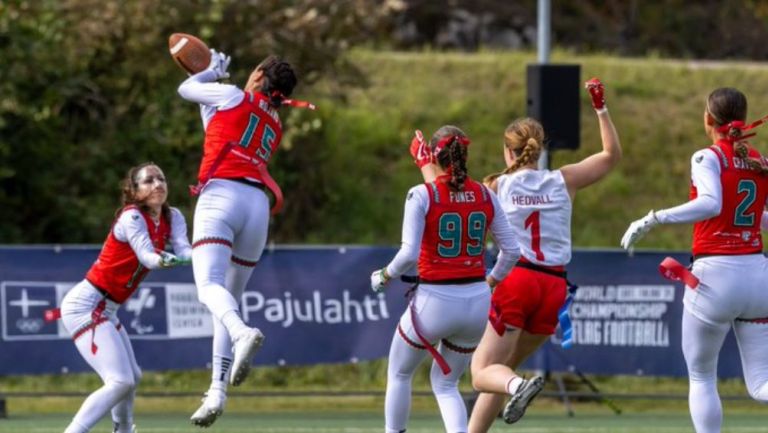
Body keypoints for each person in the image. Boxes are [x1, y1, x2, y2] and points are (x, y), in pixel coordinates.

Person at [465, 78, 622, 431]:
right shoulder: (564, 180)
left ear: (509, 152)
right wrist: (600, 107)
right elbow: (612, 155)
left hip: (517, 279)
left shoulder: (496, 185)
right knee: (501, 372)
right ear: (540, 150)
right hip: (554, 287)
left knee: (481, 373)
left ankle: (519, 386)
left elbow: (458, 208)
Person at [621, 87, 768, 433]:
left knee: (702, 375)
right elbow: (760, 217)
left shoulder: (708, 157)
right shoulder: (759, 160)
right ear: (743, 120)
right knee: (760, 384)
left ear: (707, 118)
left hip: (716, 275)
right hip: (758, 274)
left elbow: (711, 203)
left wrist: (652, 218)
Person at [177, 49, 303, 427]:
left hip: (221, 196)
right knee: (225, 301)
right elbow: (215, 130)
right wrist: (212, 81)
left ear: (260, 74)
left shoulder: (234, 95)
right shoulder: (275, 121)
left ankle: (242, 331)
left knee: (208, 290)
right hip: (256, 207)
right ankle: (216, 391)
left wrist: (208, 73)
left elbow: (185, 90)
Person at [370, 125, 521, 433]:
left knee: (399, 373)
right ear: (466, 155)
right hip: (477, 300)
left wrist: (384, 275)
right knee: (447, 384)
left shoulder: (421, 194)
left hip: (435, 300)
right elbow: (513, 251)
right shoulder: (484, 194)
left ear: (434, 157)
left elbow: (409, 254)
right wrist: (491, 281)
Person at [60, 162, 192, 433]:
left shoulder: (174, 216)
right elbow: (148, 257)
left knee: (132, 377)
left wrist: (210, 252)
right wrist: (167, 259)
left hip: (106, 308)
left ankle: (122, 430)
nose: (158, 184)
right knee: (120, 381)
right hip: (86, 306)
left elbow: (185, 250)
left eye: (162, 179)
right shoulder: (131, 216)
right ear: (134, 191)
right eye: (148, 181)